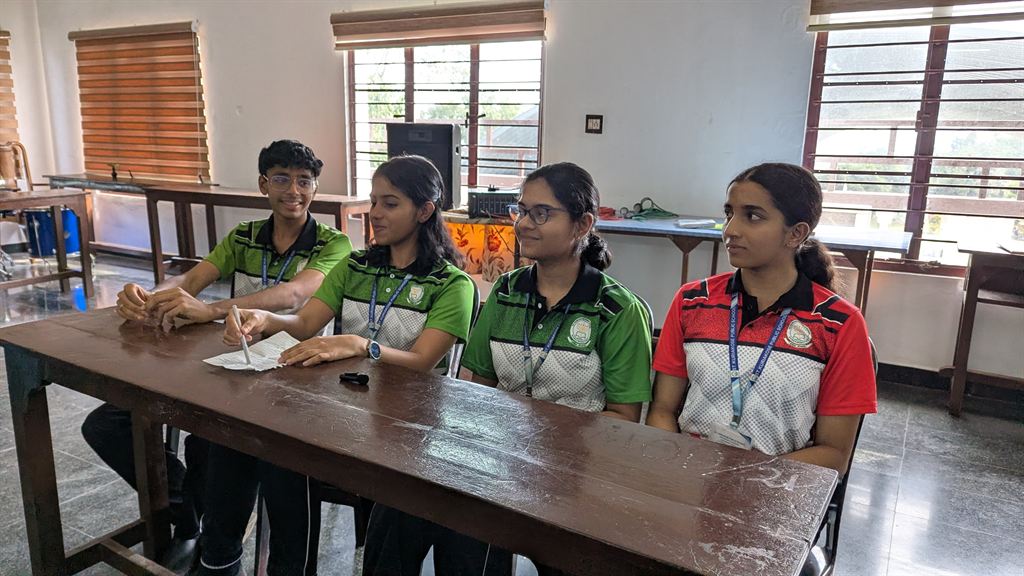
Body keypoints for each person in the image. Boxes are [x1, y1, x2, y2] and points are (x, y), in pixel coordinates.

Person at [362, 162, 653, 576]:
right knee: (405, 497)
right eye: (522, 210)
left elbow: (624, 420)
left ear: (583, 225)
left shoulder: (616, 309)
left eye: (542, 213)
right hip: (499, 457)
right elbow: (475, 387)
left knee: (476, 519)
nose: (524, 224)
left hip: (573, 471)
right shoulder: (507, 290)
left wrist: (535, 435)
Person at [190, 155, 475, 576]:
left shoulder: (452, 284)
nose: (375, 213)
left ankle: (273, 566)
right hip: (344, 409)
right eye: (373, 201)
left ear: (424, 211)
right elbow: (304, 324)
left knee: (285, 453)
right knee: (242, 437)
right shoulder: (356, 265)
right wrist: (261, 319)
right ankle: (224, 561)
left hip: (405, 427)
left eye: (390, 204)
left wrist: (361, 345)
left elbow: (421, 362)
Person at [81, 139, 352, 561]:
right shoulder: (244, 236)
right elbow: (189, 281)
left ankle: (213, 545)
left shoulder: (334, 244)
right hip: (228, 363)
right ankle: (186, 513)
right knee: (108, 423)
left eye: (304, 181)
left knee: (207, 443)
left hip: (292, 377)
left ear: (315, 188)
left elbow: (294, 294)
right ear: (263, 184)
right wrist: (148, 296)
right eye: (282, 179)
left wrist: (209, 310)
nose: (294, 191)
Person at [646, 162, 876, 475]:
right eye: (729, 213)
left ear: (796, 233)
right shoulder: (692, 302)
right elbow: (661, 411)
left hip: (777, 487)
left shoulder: (838, 323)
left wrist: (742, 478)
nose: (730, 230)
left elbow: (834, 454)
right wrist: (677, 469)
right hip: (688, 477)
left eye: (752, 216)